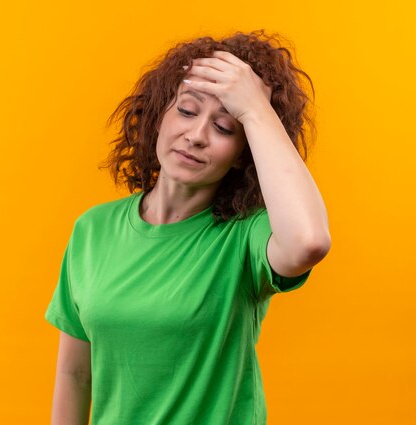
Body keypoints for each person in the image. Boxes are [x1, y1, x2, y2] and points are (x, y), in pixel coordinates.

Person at [45, 29, 331, 425]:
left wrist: (254, 110)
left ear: (241, 154)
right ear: (159, 114)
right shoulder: (92, 230)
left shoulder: (246, 237)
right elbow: (74, 374)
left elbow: (309, 242)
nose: (196, 136)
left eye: (225, 128)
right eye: (186, 110)